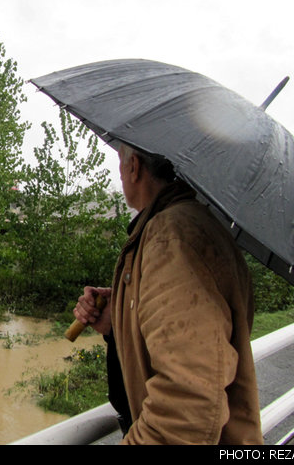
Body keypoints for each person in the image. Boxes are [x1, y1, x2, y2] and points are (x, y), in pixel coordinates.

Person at [73, 144, 263, 445]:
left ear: (134, 166)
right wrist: (118, 321)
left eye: (121, 165)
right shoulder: (190, 223)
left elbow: (189, 404)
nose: (120, 175)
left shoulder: (171, 235)